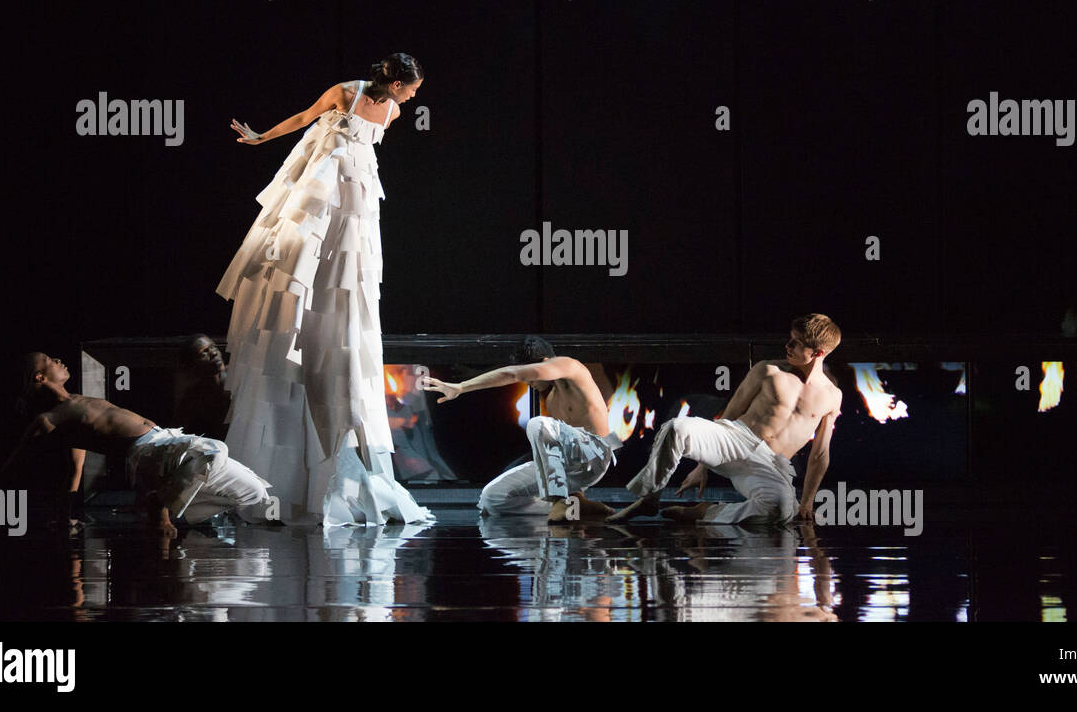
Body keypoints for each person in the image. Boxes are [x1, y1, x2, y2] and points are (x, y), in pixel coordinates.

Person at [217, 54, 432, 526]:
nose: (415, 96)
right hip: (324, 180)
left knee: (347, 271)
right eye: (412, 87)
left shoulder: (392, 112)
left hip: (355, 194)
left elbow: (365, 151)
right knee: (301, 245)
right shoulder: (345, 91)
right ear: (396, 83)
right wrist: (260, 137)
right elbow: (302, 119)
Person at [1, 353, 273, 537]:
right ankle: (160, 505)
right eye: (49, 360)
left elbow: (76, 468)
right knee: (215, 451)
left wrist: (64, 518)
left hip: (168, 440)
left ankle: (178, 509)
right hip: (146, 454)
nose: (58, 360)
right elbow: (14, 464)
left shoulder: (77, 402)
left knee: (257, 492)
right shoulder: (52, 418)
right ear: (39, 377)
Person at [609, 313, 844, 525]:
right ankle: (650, 499)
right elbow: (730, 412)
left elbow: (820, 454)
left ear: (818, 353)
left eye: (797, 343)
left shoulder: (832, 397)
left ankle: (705, 512)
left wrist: (807, 502)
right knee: (676, 427)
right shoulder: (768, 370)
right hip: (734, 438)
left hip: (769, 462)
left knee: (780, 511)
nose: (788, 345)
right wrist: (703, 467)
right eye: (790, 339)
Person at [423, 336, 621, 522]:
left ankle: (559, 500)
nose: (529, 384)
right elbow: (559, 458)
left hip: (596, 452)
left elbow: (512, 373)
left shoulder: (569, 365)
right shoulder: (552, 399)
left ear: (543, 363)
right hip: (575, 466)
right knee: (492, 498)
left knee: (538, 423)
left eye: (531, 378)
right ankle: (575, 507)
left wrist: (460, 387)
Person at [173, 334, 231, 441]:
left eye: (214, 347)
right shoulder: (194, 397)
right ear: (192, 364)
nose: (214, 353)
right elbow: (178, 431)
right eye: (204, 352)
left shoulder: (239, 377)